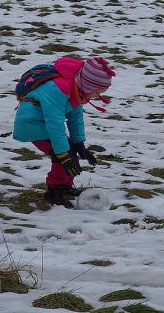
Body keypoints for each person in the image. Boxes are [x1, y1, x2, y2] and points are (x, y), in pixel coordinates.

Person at [13, 56, 115, 208]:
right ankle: (54, 191)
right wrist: (63, 154)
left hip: (44, 124)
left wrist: (78, 143)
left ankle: (64, 186)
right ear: (87, 86)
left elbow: (75, 117)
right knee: (64, 156)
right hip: (32, 124)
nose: (97, 97)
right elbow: (55, 125)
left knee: (71, 151)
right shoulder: (58, 89)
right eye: (97, 93)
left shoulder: (76, 88)